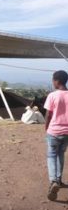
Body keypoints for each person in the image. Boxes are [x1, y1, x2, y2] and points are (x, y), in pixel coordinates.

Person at [44, 70, 68, 201]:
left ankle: (53, 181)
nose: (52, 82)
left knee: (52, 155)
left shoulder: (52, 95)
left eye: (53, 80)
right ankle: (58, 180)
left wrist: (46, 128)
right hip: (67, 133)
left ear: (57, 81)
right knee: (60, 155)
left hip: (54, 131)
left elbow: (48, 114)